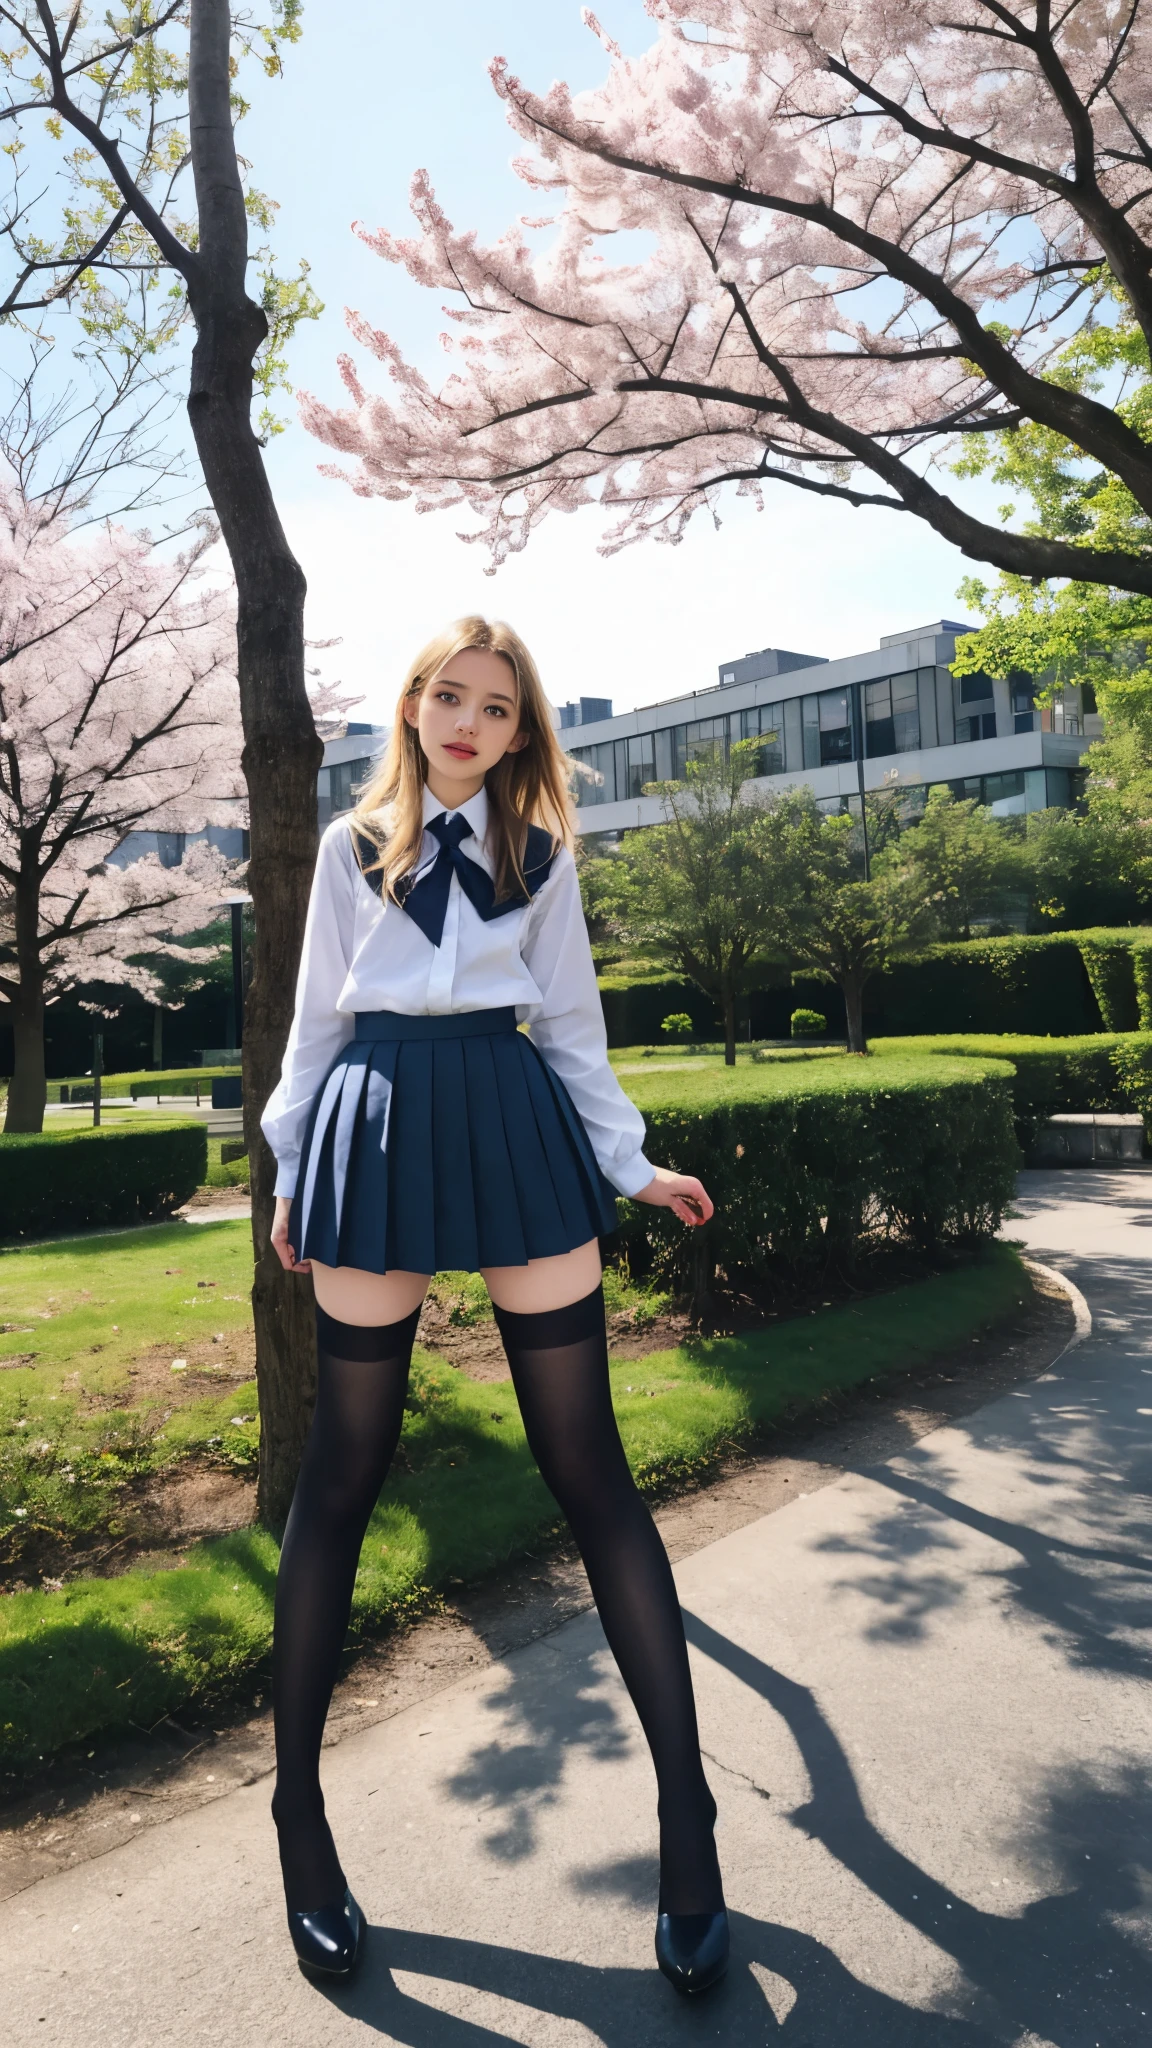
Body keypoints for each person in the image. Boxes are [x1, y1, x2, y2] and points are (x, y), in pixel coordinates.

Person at [261, 616, 727, 1996]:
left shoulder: (545, 861)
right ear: (410, 709)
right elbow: (312, 1026)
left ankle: (690, 1825)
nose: (468, 722)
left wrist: (633, 1164)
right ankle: (299, 1823)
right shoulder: (351, 853)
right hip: (376, 1121)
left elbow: (575, 1029)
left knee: (593, 1474)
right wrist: (294, 1169)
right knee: (343, 1476)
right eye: (448, 697)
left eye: (497, 707)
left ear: (523, 733)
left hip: (514, 1115)